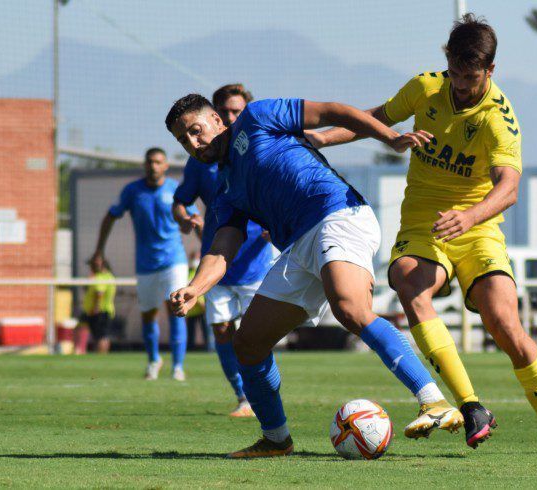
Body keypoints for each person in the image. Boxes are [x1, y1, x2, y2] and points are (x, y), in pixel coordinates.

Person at [306, 14, 537, 454]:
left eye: (470, 77)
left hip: (477, 229)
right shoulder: (425, 87)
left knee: (506, 325)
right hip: (423, 222)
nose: (460, 84)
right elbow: (375, 118)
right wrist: (323, 138)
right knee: (407, 280)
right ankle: (470, 405)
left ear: (490, 71)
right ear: (447, 62)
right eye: (455, 73)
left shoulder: (499, 118)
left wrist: (471, 216)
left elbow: (509, 188)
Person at [165, 93, 460, 458]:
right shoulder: (226, 187)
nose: (193, 143)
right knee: (248, 344)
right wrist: (195, 288)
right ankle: (276, 439)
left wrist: (389, 136)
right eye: (183, 140)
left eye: (195, 131)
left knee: (349, 308)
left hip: (337, 213)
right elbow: (222, 247)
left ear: (215, 119)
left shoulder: (258, 117)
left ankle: (433, 401)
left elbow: (333, 111)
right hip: (299, 247)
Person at [172, 83, 275, 418]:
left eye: (237, 111)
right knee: (221, 331)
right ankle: (243, 397)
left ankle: (264, 397)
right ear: (215, 115)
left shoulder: (258, 147)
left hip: (258, 262)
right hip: (216, 262)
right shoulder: (200, 162)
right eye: (226, 111)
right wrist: (187, 220)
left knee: (255, 335)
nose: (232, 117)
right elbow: (179, 202)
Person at [92, 147, 198, 381]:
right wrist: (99, 249)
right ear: (144, 164)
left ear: (166, 166)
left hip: (174, 261)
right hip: (145, 264)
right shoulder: (132, 191)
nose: (153, 166)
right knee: (148, 314)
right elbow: (111, 215)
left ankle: (177, 367)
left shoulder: (176, 190)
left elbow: (195, 218)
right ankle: (153, 361)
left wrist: (207, 246)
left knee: (176, 310)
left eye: (158, 162)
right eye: (150, 162)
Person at [75, 255, 116, 354]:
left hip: (99, 311)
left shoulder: (101, 277)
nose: (90, 268)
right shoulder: (108, 276)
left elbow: (99, 293)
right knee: (82, 328)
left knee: (101, 336)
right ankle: (80, 351)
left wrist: (96, 307)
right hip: (95, 310)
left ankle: (100, 355)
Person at [184, 251, 213, 353]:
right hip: (191, 309)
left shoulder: (199, 272)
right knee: (190, 331)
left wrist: (202, 303)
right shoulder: (187, 272)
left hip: (202, 308)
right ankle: (190, 349)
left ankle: (209, 348)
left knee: (205, 330)